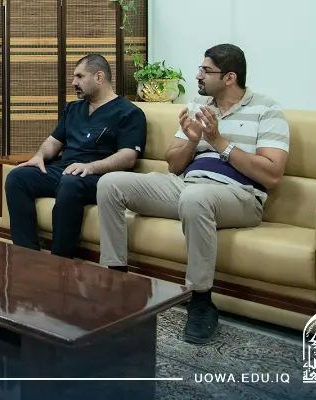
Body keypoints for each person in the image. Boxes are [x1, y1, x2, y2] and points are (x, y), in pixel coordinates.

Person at [96, 43, 289, 345]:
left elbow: (272, 175)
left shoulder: (267, 110)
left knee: (195, 198)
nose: (198, 75)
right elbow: (173, 165)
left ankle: (200, 301)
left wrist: (218, 141)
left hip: (239, 195)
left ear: (229, 77)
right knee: (110, 184)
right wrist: (192, 141)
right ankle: (117, 282)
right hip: (186, 185)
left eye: (206, 70)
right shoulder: (200, 105)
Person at [5, 54, 146, 258]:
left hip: (99, 177)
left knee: (70, 182)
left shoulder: (129, 113)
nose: (73, 82)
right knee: (17, 177)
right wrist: (39, 156)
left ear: (99, 77)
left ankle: (60, 261)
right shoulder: (73, 108)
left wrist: (90, 167)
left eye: (79, 76)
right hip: (65, 170)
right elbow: (53, 142)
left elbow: (128, 156)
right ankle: (27, 256)